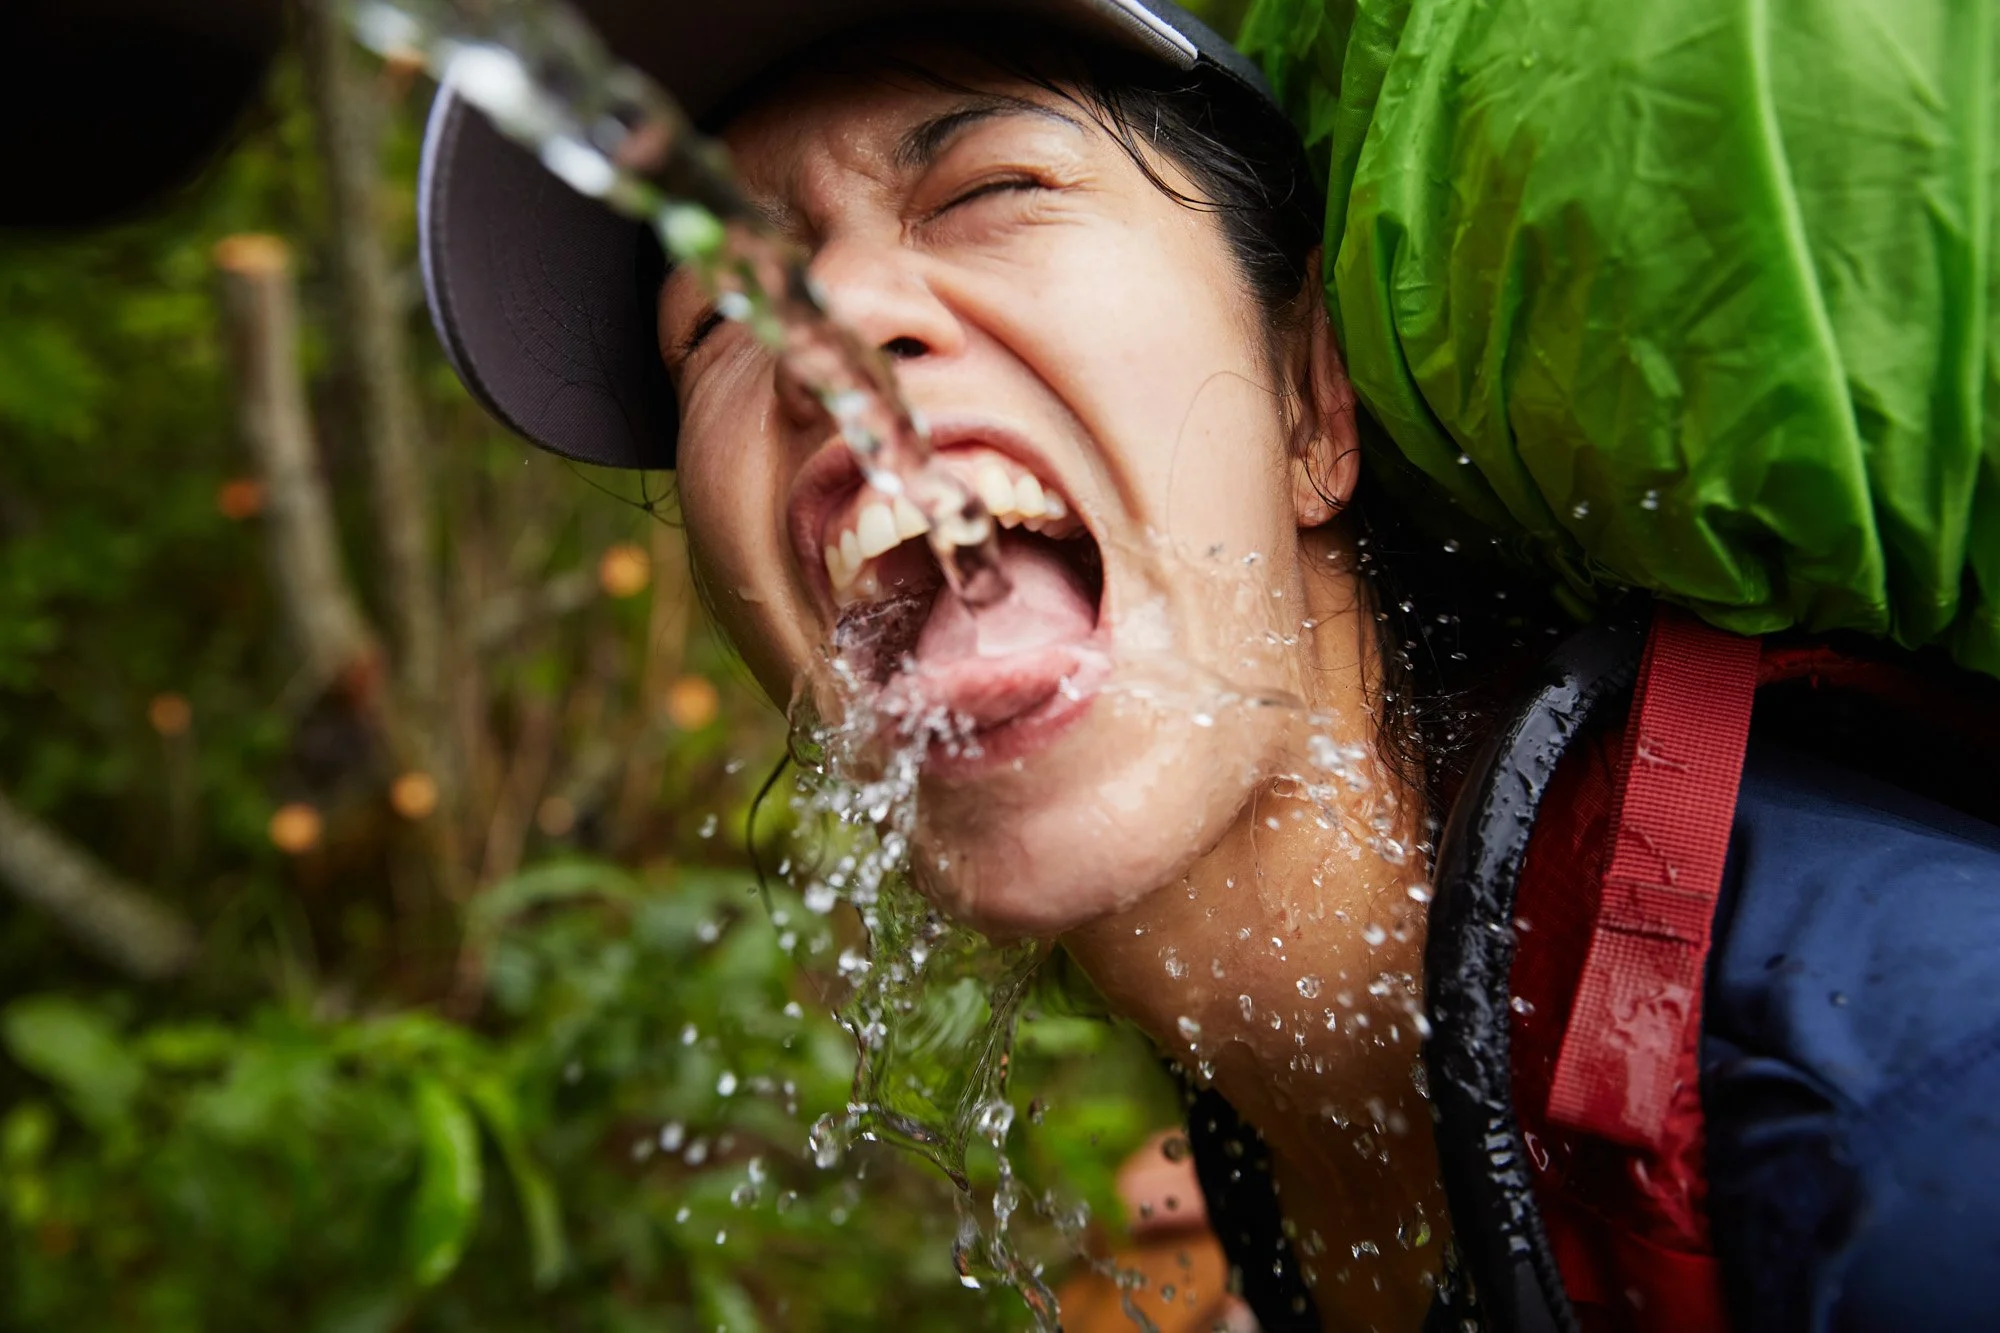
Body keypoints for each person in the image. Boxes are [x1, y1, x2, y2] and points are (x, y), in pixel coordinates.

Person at [416, 2, 2000, 1330]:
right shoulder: (1310, 1137)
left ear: (1309, 396)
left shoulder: (1892, 1121)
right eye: (712, 313)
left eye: (988, 189)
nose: (825, 325)